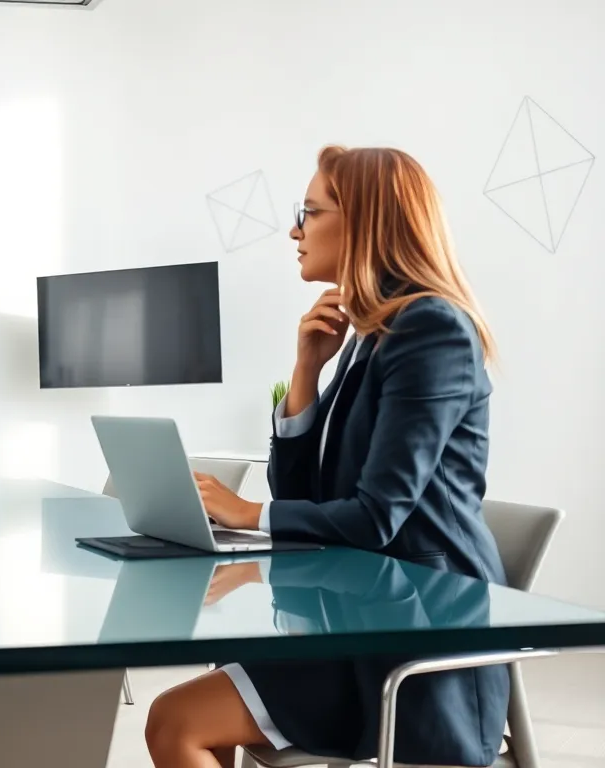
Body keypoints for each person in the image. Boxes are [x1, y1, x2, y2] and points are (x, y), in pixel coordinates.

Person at [144, 146, 509, 768]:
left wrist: (247, 512)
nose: (294, 230)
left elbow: (376, 518)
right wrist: (306, 372)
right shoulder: (369, 336)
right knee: (175, 717)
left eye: (308, 213)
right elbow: (304, 498)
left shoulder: (432, 330)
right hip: (354, 621)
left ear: (365, 222)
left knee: (176, 721)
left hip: (415, 642)